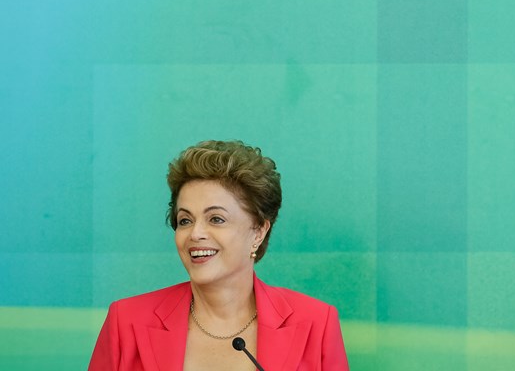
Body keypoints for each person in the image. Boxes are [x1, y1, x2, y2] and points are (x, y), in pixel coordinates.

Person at [89, 140, 350, 370]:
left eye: (216, 219)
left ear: (258, 232)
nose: (195, 234)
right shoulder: (126, 322)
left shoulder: (316, 323)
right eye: (185, 220)